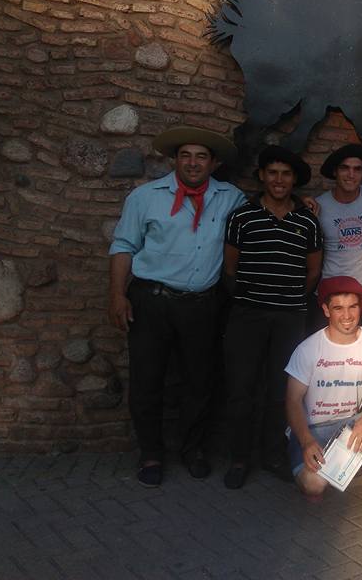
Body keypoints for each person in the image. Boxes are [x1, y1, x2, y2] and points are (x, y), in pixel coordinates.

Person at [108, 126, 246, 488]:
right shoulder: (145, 197)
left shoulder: (231, 198)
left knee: (199, 381)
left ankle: (192, 449)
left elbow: (262, 215)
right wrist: (117, 295)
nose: (193, 163)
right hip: (151, 302)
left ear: (213, 163)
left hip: (201, 305)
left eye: (201, 156)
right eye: (186, 155)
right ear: (175, 159)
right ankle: (151, 453)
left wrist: (302, 205)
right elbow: (123, 246)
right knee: (147, 380)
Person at [221, 145, 322, 489]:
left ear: (294, 180)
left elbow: (313, 271)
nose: (279, 180)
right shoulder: (241, 217)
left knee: (282, 390)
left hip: (290, 317)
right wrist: (251, 298)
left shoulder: (307, 221)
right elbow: (230, 268)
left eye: (286, 174)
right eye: (273, 173)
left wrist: (288, 299)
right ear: (262, 176)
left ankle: (274, 454)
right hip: (247, 315)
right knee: (241, 388)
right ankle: (239, 458)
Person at [284, 276, 362, 511]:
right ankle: (344, 462)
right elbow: (292, 400)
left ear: (360, 308)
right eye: (338, 308)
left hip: (350, 425)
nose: (347, 315)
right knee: (314, 485)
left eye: (352, 307)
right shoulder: (308, 349)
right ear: (326, 310)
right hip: (312, 429)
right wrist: (306, 441)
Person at [315, 144, 362, 347]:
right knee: (331, 357)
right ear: (335, 171)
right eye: (345, 168)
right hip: (333, 299)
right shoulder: (319, 205)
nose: (351, 175)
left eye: (357, 169)